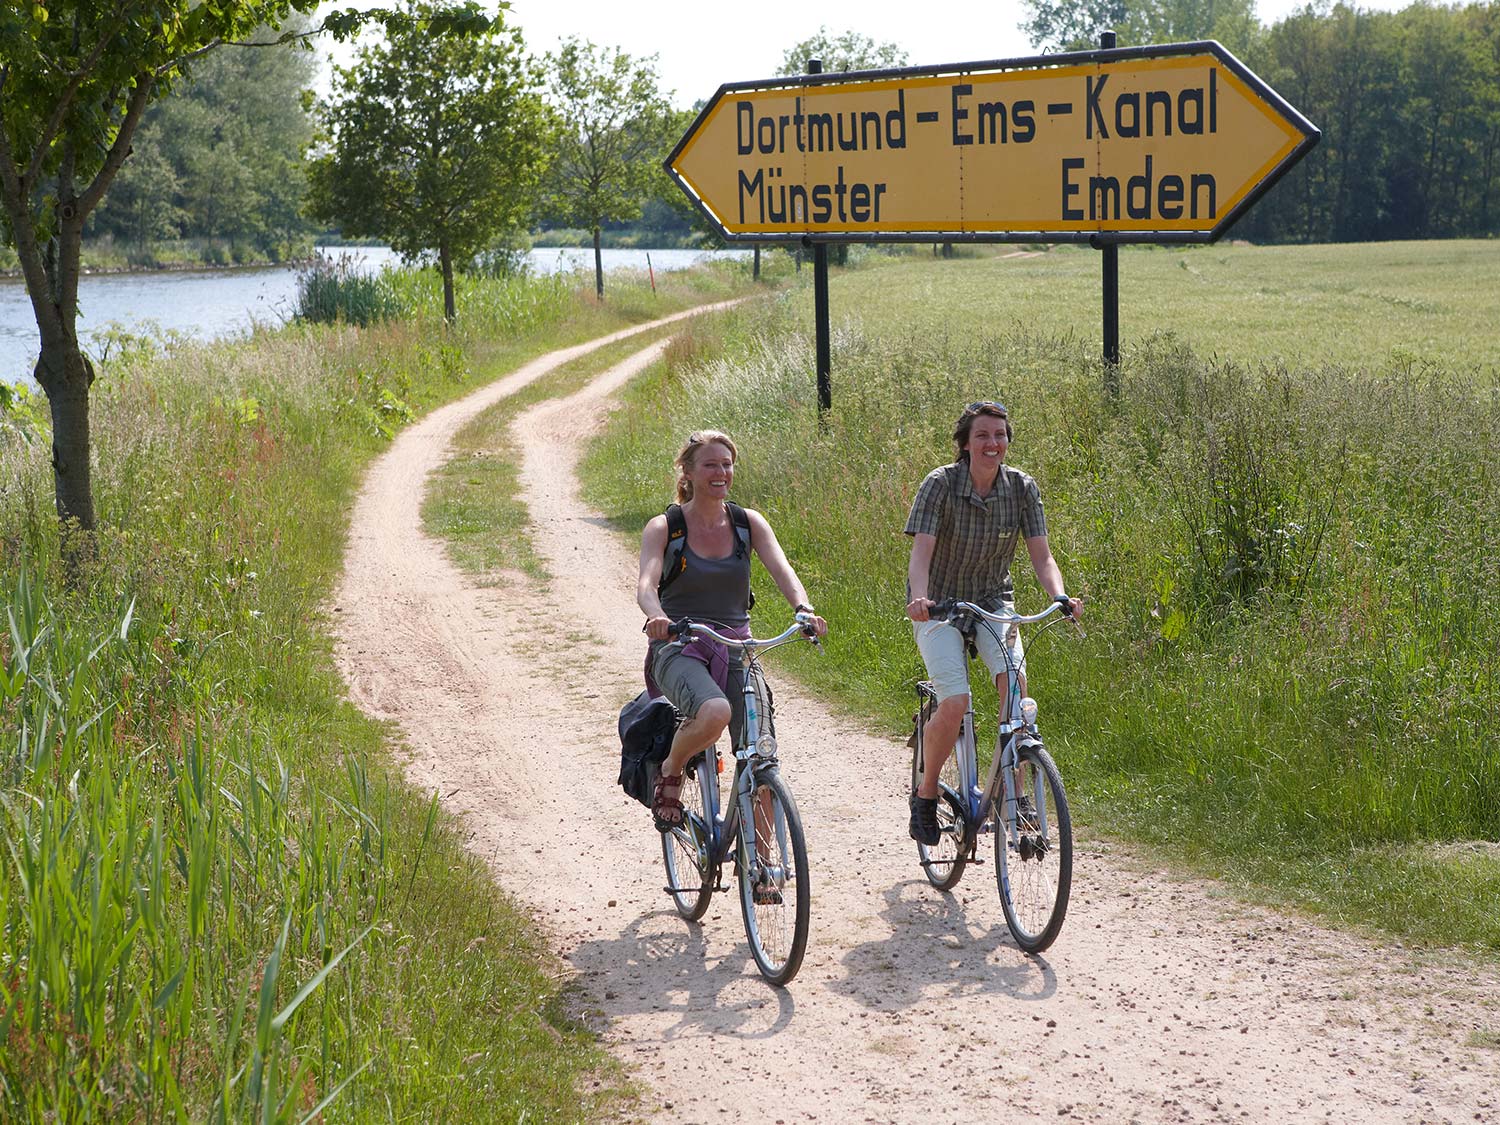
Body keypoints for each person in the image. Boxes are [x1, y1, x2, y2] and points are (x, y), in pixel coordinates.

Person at [903, 401, 1082, 846]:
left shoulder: (1022, 488)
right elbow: (921, 553)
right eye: (982, 435)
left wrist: (1058, 595)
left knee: (1015, 686)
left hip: (992, 600)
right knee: (956, 700)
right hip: (940, 605)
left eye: (999, 435)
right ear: (965, 443)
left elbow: (1042, 556)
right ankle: (925, 796)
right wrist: (920, 598)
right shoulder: (940, 485)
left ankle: (1015, 798)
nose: (992, 443)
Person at [637, 429, 827, 832]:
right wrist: (658, 619)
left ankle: (763, 865)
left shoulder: (747, 523)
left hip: (737, 646)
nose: (721, 472)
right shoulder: (665, 527)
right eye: (710, 464)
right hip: (680, 645)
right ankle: (671, 770)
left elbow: (783, 570)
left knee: (761, 753)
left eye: (727, 464)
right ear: (687, 473)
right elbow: (646, 585)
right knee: (715, 711)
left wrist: (803, 609)